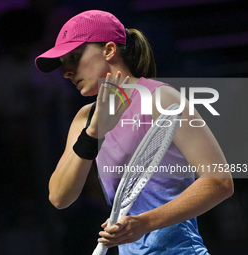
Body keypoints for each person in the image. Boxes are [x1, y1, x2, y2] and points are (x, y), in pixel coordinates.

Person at [34, 10, 234, 254]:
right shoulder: (84, 120)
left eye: (74, 57)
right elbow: (59, 197)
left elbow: (219, 181)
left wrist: (143, 224)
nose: (66, 71)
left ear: (109, 50)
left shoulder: (161, 99)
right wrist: (93, 133)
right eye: (63, 63)